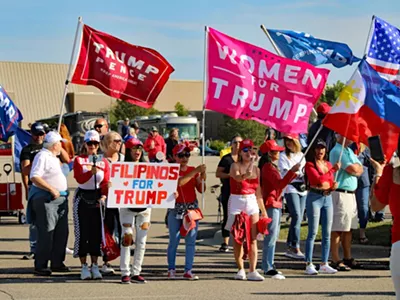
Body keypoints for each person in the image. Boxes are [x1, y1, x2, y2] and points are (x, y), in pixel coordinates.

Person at [29, 131, 70, 276]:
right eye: (60, 144)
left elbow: (67, 160)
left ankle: (57, 262)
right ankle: (41, 264)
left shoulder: (53, 157)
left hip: (60, 200)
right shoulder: (42, 156)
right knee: (47, 232)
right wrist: (51, 188)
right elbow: (34, 176)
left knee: (61, 232)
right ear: (55, 145)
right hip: (48, 200)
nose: (61, 146)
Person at [227, 139, 268, 281]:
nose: (248, 153)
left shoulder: (256, 169)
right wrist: (249, 167)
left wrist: (263, 210)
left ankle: (252, 269)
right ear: (240, 152)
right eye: (245, 150)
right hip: (237, 200)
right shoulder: (234, 165)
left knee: (253, 238)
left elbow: (258, 192)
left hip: (251, 201)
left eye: (251, 150)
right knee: (238, 238)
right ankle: (240, 269)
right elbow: (238, 178)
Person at [73, 130, 110, 280]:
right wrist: (90, 173)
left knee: (96, 233)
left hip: (97, 197)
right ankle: (83, 266)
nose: (92, 146)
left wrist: (104, 194)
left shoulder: (104, 161)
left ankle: (95, 265)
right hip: (82, 197)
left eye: (95, 143)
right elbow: (79, 178)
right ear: (85, 144)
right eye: (90, 143)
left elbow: (106, 180)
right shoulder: (79, 160)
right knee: (83, 233)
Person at [261, 139, 299, 279]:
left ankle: (269, 264)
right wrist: (292, 172)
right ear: (269, 154)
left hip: (275, 202)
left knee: (274, 236)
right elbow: (279, 184)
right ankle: (267, 266)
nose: (278, 153)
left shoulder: (270, 167)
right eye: (275, 151)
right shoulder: (268, 168)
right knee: (271, 236)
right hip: (271, 203)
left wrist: (291, 173)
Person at [167, 143, 206, 280]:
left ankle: (188, 269)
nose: (184, 158)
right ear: (174, 156)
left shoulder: (192, 170)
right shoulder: (171, 170)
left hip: (191, 209)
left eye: (187, 155)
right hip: (175, 208)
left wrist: (201, 177)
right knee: (174, 240)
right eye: (181, 155)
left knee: (191, 240)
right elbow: (180, 182)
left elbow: (201, 189)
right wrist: (195, 172)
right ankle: (171, 268)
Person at [304, 140, 340, 275]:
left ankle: (324, 263)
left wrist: (333, 185)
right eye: (318, 148)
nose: (320, 151)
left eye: (322, 148)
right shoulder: (309, 165)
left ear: (326, 150)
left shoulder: (328, 164)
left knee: (326, 232)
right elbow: (317, 180)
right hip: (315, 197)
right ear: (314, 150)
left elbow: (328, 181)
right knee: (312, 232)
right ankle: (309, 263)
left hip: (327, 197)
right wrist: (332, 171)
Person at [370, 141, 400, 299]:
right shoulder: (391, 172)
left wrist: (378, 172)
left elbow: (375, 205)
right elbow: (375, 206)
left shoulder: (391, 172)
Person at [329, 134, 363, 271]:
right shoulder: (337, 151)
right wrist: (356, 169)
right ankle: (335, 258)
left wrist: (356, 168)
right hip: (340, 193)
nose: (350, 138)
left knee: (348, 228)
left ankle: (348, 257)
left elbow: (360, 169)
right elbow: (354, 169)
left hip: (350, 193)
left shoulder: (349, 151)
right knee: (338, 227)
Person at [119, 137, 150, 284]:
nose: (137, 152)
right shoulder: (122, 167)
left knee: (142, 241)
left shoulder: (149, 167)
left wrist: (170, 194)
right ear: (128, 151)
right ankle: (125, 272)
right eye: (134, 149)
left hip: (145, 208)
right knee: (127, 239)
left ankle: (136, 271)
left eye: (139, 149)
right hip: (127, 207)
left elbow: (158, 185)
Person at [20, 122, 46, 260]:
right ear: (32, 134)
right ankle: (34, 248)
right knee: (35, 221)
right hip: (34, 187)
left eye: (41, 134)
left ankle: (50, 247)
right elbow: (25, 170)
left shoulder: (48, 148)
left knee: (50, 220)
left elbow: (65, 161)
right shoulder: (27, 150)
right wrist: (26, 189)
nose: (38, 137)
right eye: (36, 134)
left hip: (49, 186)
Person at [278, 133, 307, 259]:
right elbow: (285, 174)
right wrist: (293, 171)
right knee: (296, 215)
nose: (288, 143)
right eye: (286, 140)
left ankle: (290, 245)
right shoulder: (283, 156)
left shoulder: (301, 156)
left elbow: (304, 172)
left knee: (299, 218)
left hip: (303, 189)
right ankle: (295, 246)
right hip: (291, 188)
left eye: (290, 140)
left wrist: (302, 174)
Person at [100, 131, 124, 275]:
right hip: (108, 201)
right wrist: (104, 187)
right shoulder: (102, 161)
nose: (119, 143)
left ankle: (124, 262)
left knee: (125, 232)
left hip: (124, 201)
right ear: (108, 143)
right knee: (108, 231)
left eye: (120, 141)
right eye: (115, 141)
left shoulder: (124, 159)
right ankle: (106, 261)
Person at [215, 135, 242, 252]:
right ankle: (225, 242)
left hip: (241, 192)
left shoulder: (244, 159)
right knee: (228, 216)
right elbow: (218, 173)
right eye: (235, 142)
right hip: (228, 190)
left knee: (240, 217)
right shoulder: (226, 159)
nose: (238, 145)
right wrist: (229, 175)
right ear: (232, 144)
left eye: (240, 143)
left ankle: (239, 240)